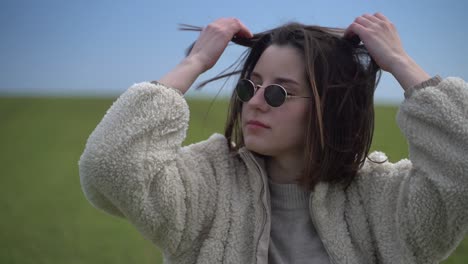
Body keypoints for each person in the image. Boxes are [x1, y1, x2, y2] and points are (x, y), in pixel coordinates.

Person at [79, 13, 468, 263]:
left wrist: (401, 64)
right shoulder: (205, 186)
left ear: (330, 107)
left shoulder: (384, 200)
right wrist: (193, 63)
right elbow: (111, 163)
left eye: (279, 92)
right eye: (252, 86)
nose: (256, 103)